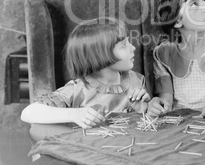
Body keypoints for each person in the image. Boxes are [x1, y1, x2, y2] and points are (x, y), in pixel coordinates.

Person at [21, 17, 149, 136]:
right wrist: (74, 114)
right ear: (100, 55)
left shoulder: (136, 80)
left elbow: (146, 125)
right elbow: (28, 113)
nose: (133, 48)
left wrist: (144, 109)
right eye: (124, 45)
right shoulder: (78, 89)